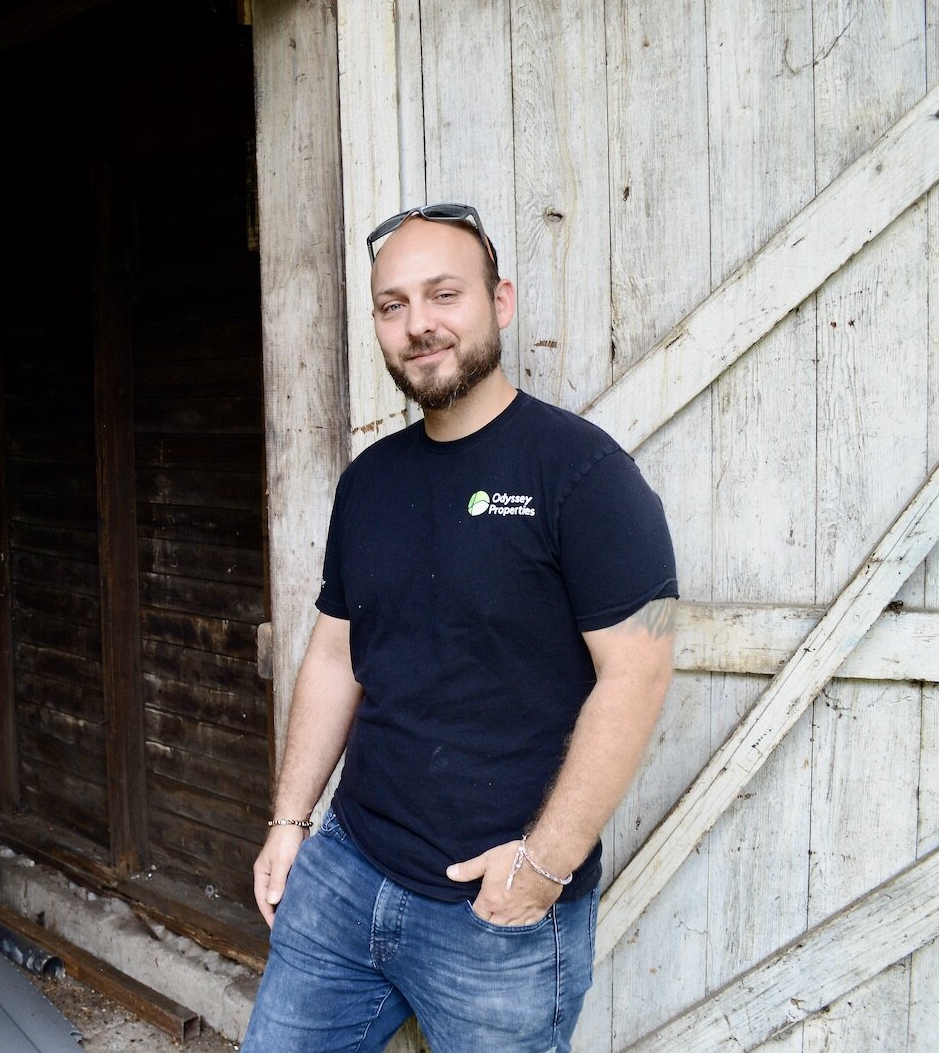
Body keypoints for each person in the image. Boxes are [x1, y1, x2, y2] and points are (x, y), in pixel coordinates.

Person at [241, 204, 678, 1053]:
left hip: (493, 918)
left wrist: (541, 869)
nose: (418, 325)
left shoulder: (580, 473)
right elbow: (336, 656)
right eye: (391, 305)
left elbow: (638, 674)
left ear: (499, 301)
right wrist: (289, 823)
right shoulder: (368, 482)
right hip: (346, 870)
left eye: (443, 294)